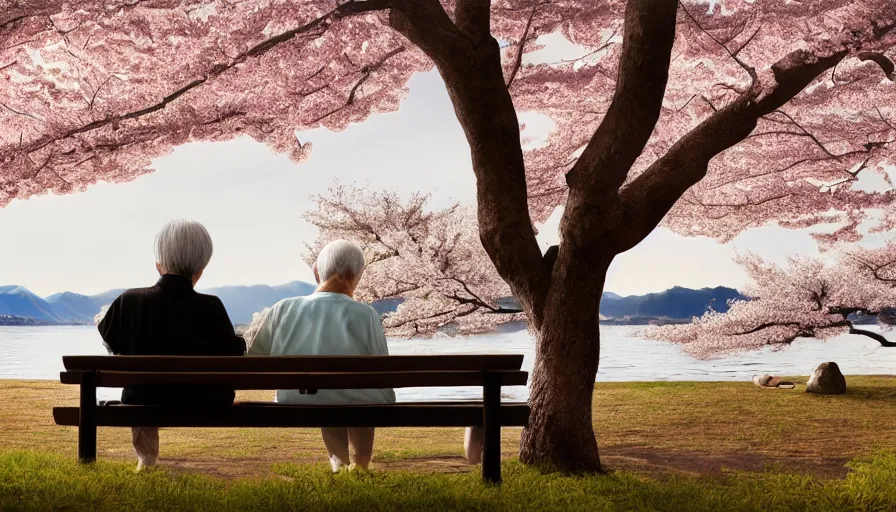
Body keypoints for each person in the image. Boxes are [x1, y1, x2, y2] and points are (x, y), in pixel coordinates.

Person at [96, 219, 246, 470]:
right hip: (206, 399)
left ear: (158, 266)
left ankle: (146, 460)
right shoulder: (212, 306)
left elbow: (110, 340)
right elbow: (232, 353)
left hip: (142, 398)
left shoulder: (129, 301)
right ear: (201, 269)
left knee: (141, 391)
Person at [247, 239, 395, 472]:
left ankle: (339, 465)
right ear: (357, 275)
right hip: (359, 400)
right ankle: (360, 466)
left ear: (316, 272)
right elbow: (381, 369)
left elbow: (254, 362)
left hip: (298, 399)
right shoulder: (366, 314)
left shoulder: (283, 308)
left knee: (326, 392)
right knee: (354, 393)